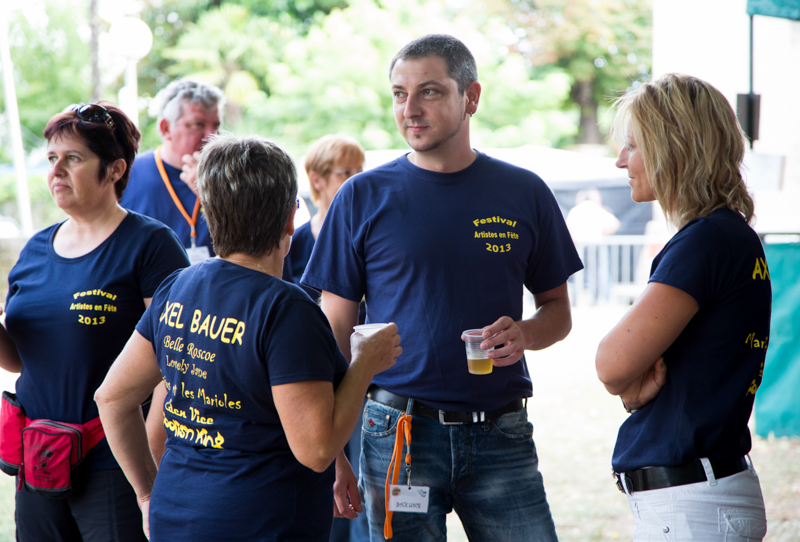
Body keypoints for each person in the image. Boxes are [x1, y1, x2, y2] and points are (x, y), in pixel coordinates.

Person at [302, 34, 583, 542]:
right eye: (398, 93)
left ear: (470, 97)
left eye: (429, 91)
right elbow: (333, 334)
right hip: (397, 433)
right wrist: (336, 452)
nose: (409, 108)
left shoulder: (524, 192)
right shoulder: (361, 197)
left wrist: (525, 334)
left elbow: (558, 311)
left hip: (503, 430)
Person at [95, 133, 402, 541]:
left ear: (208, 210)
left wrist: (149, 493)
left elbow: (112, 397)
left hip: (177, 514)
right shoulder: (287, 308)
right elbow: (315, 450)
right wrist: (365, 363)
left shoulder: (177, 286)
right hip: (262, 522)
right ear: (291, 217)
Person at [0, 102, 189, 541]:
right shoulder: (34, 250)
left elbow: (175, 363)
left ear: (115, 168)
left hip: (113, 464)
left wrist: (148, 462)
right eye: (51, 159)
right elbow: (16, 360)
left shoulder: (150, 245)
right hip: (38, 459)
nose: (56, 171)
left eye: (74, 158)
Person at [596, 74, 770, 541]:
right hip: (703, 495)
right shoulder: (726, 234)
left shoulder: (706, 241)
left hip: (693, 503)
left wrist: (628, 384)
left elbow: (611, 364)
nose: (620, 161)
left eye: (632, 146)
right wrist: (634, 390)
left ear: (673, 147)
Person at [120, 79, 224, 263]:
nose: (211, 136)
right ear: (166, 128)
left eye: (215, 125)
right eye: (198, 124)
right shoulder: (127, 175)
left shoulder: (230, 176)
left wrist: (212, 194)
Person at [283, 134, 365, 302]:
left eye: (360, 172)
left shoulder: (371, 235)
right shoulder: (294, 242)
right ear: (317, 180)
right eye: (346, 173)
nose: (356, 180)